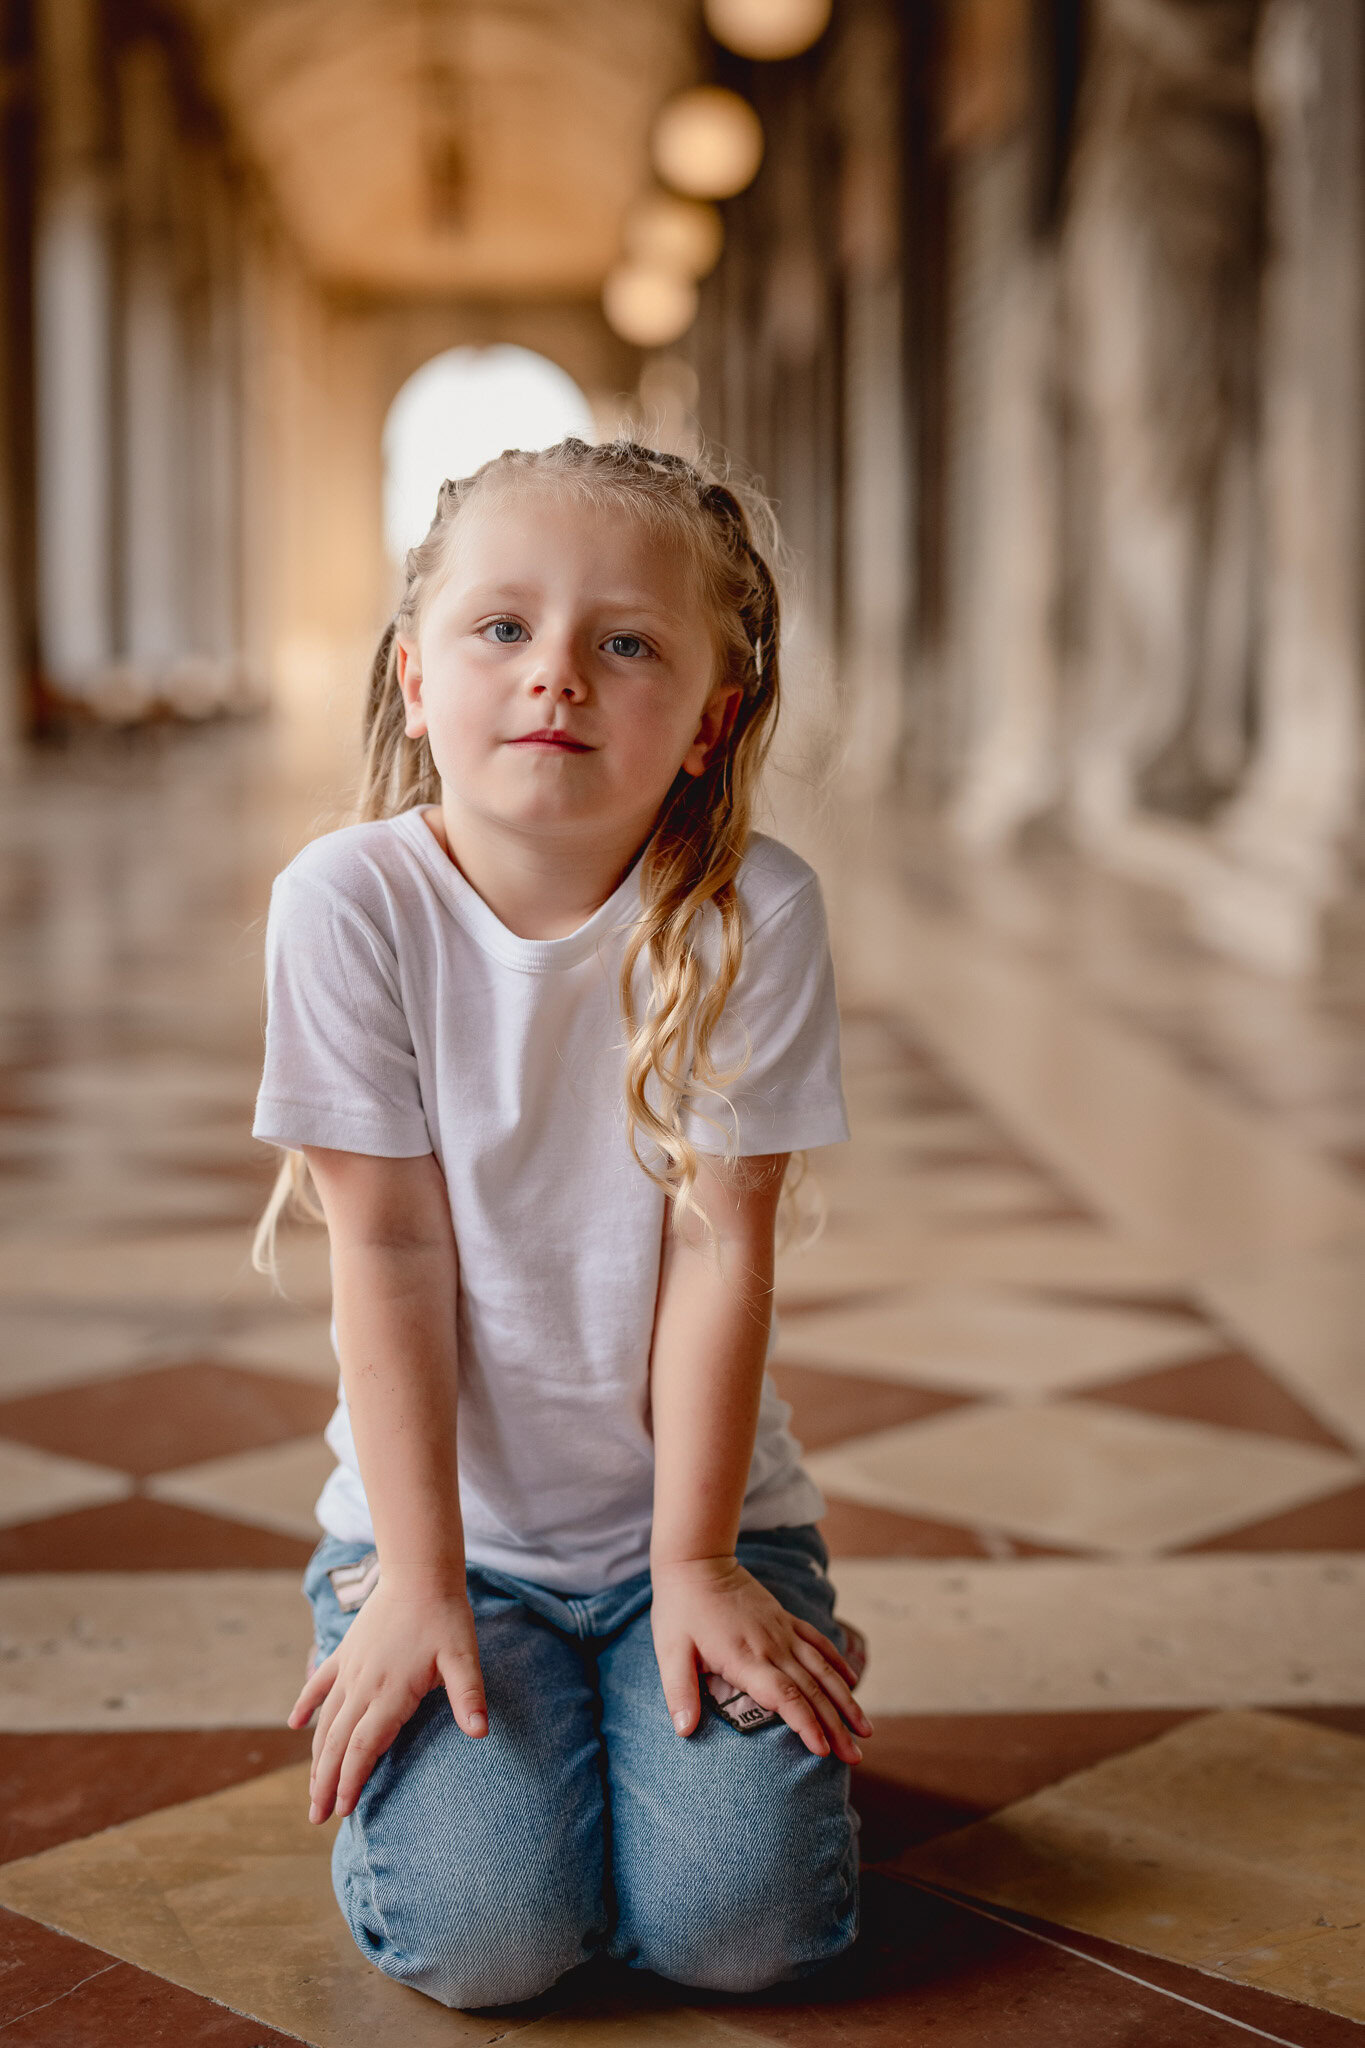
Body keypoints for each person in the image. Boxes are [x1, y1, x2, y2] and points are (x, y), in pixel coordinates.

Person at [250, 436, 868, 2011]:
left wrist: (702, 1561)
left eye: (626, 642)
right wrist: (420, 1579)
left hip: (707, 1523)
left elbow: (721, 1248)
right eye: (501, 629)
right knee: (491, 1941)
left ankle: (702, 1720)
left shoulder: (747, 917)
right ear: (411, 676)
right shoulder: (350, 903)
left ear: (711, 714)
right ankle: (524, 1747)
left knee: (745, 1933)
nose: (557, 679)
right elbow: (384, 1251)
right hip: (451, 1541)